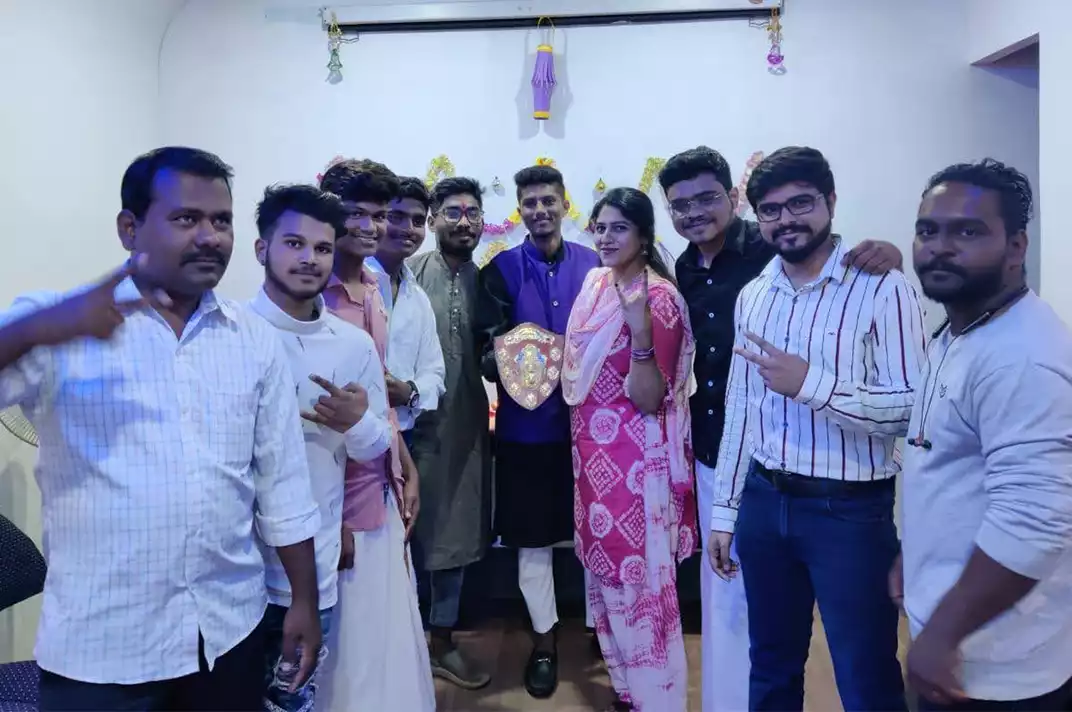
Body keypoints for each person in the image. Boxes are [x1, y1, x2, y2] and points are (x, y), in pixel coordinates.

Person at [0, 147, 322, 712]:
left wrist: (304, 601)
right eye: (186, 218)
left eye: (221, 220)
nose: (210, 237)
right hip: (102, 652)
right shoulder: (59, 322)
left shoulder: (252, 338)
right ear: (130, 229)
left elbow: (284, 486)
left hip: (228, 634)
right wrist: (38, 330)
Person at [659, 146, 906, 712]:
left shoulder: (882, 288)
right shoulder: (749, 293)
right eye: (772, 210)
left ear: (831, 202)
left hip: (848, 510)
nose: (786, 220)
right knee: (770, 665)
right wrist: (727, 513)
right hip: (763, 500)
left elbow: (910, 411)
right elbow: (744, 408)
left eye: (801, 204)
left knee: (865, 672)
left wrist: (811, 384)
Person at [896, 159, 1072, 711]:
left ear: (1016, 247)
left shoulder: (1022, 358)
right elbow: (946, 464)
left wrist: (943, 633)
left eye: (967, 232)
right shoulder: (961, 328)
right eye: (928, 230)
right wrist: (914, 554)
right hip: (962, 644)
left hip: (997, 664)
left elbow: (1033, 521)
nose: (939, 248)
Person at [246, 184, 395, 711]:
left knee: (292, 701)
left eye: (322, 248)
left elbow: (377, 446)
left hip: (309, 571)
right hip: (230, 572)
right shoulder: (230, 333)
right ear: (262, 249)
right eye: (294, 244)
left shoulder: (352, 344)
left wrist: (355, 423)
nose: (310, 258)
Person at [563, 187, 697, 711]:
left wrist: (640, 332)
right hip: (593, 464)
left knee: (639, 585)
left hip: (638, 468)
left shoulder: (658, 299)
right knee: (606, 577)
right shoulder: (597, 285)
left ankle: (656, 697)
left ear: (643, 236)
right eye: (600, 227)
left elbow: (649, 398)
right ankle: (626, 690)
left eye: (619, 228)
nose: (605, 237)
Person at [475, 164, 601, 698]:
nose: (540, 210)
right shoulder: (499, 271)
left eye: (548, 200)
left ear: (564, 204)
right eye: (530, 202)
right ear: (520, 209)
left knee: (600, 532)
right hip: (526, 431)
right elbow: (486, 355)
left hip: (595, 430)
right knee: (532, 540)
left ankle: (605, 630)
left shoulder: (595, 266)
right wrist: (530, 353)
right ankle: (544, 641)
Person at [316, 159, 436, 711]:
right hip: (335, 497)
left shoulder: (372, 288)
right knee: (347, 644)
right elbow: (314, 415)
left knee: (386, 625)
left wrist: (404, 464)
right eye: (355, 213)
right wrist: (332, 516)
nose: (370, 226)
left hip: (381, 477)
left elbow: (375, 396)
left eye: (379, 214)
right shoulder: (313, 294)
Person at [408, 176, 494, 689]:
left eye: (473, 212)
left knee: (455, 534)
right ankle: (402, 643)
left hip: (463, 426)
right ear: (434, 218)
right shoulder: (408, 275)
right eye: (454, 212)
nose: (465, 222)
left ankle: (441, 641)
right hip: (410, 430)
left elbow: (492, 357)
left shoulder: (488, 282)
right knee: (404, 533)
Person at [366, 176, 445, 446]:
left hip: (402, 433)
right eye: (396, 217)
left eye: (417, 221)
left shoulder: (417, 297)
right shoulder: (350, 283)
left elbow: (434, 371)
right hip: (347, 433)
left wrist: (409, 392)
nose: (408, 229)